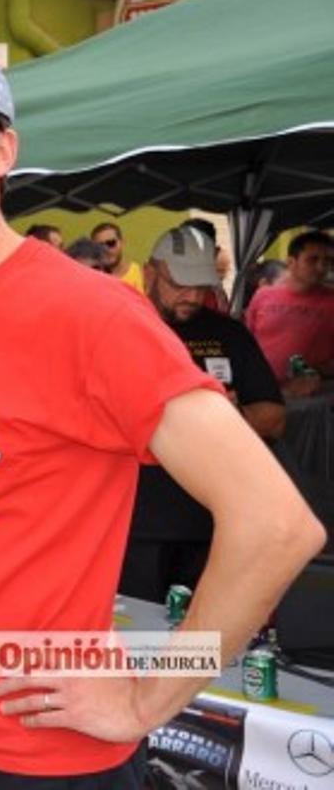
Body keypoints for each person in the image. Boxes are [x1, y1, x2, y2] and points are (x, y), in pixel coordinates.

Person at [0, 32, 323, 787]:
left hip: (51, 755)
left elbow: (278, 524)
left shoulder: (92, 316)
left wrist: (149, 697)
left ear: (2, 150)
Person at [120, 226, 284, 603]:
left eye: (201, 285)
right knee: (135, 631)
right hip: (134, 524)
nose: (193, 296)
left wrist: (228, 416)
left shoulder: (229, 334)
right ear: (150, 273)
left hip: (211, 523)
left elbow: (274, 418)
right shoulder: (121, 326)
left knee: (205, 635)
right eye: (180, 283)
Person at [244, 229, 334, 395]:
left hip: (313, 397)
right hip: (261, 390)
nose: (322, 267)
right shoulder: (263, 295)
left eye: (328, 261)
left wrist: (317, 373)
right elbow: (247, 343)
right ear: (291, 262)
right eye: (313, 260)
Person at [92, 221, 144, 292]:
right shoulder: (93, 278)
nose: (106, 250)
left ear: (122, 243)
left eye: (111, 243)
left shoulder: (140, 274)